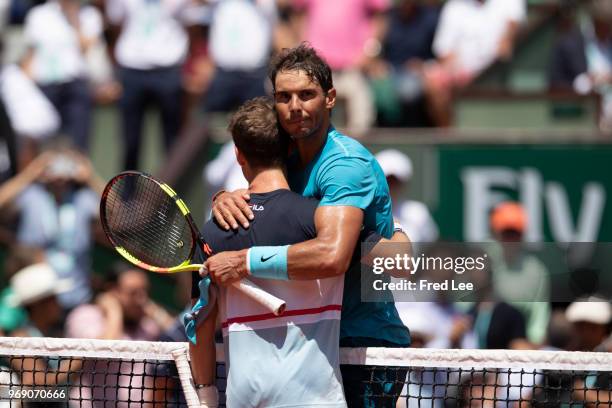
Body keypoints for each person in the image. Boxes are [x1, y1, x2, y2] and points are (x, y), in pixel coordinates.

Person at [207, 44, 411, 407]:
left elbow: (332, 256)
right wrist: (224, 196)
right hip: (311, 344)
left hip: (364, 345)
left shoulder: (345, 166)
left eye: (307, 94)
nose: (295, 106)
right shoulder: (283, 156)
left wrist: (242, 261)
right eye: (284, 97)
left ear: (330, 98)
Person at [190, 97, 348, 408]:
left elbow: (201, 326)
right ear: (291, 147)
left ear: (238, 155)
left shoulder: (214, 231)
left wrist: (206, 396)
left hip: (244, 399)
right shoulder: (321, 220)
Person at [0, 148, 105, 310]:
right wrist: (29, 174)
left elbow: (119, 215)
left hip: (76, 298)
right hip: (35, 300)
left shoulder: (83, 199)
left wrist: (91, 178)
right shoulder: (32, 196)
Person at [424, 0, 526, 126]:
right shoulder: (454, 6)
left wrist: (506, 42)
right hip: (461, 72)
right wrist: (454, 70)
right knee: (433, 81)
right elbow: (445, 51)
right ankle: (450, 137)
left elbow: (512, 27)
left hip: (494, 73)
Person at [22, 0, 104, 151]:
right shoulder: (38, 14)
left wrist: (73, 17)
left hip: (76, 86)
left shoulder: (90, 15)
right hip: (44, 86)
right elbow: (30, 54)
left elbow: (86, 48)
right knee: (42, 148)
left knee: (78, 145)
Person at [487, 201, 551, 345]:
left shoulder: (537, 272)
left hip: (520, 346)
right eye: (506, 233)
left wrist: (531, 347)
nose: (510, 239)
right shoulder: (484, 261)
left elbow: (539, 319)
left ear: (522, 235)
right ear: (496, 234)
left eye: (514, 234)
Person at [375, 149, 438, 252]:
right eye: (386, 181)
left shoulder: (418, 212)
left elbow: (430, 249)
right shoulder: (364, 213)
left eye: (395, 181)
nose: (390, 186)